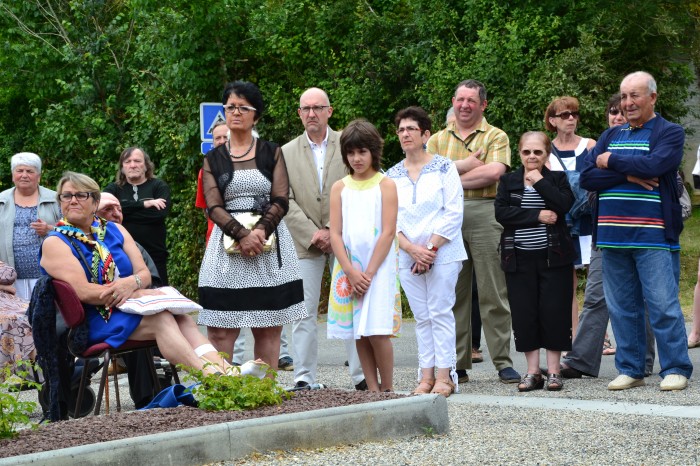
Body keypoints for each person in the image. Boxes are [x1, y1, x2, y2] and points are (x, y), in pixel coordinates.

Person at [40, 172, 266, 380]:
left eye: (81, 195)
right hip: (96, 319)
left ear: (95, 202)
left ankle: (226, 371)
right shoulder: (56, 241)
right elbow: (84, 292)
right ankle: (212, 378)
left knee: (181, 317)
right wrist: (132, 293)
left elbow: (144, 273)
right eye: (66, 196)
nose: (73, 200)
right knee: (161, 319)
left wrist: (133, 284)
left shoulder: (115, 230)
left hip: (130, 306)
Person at [580, 71, 693, 391]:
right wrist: (627, 175)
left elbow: (657, 167)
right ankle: (631, 368)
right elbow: (587, 178)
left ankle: (676, 367)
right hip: (612, 238)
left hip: (653, 236)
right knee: (621, 307)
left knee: (663, 304)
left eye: (635, 96)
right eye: (624, 96)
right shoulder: (610, 135)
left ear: (652, 98)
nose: (627, 103)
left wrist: (609, 161)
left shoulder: (669, 132)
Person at [198, 81, 306, 371]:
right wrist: (242, 235)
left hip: (268, 247)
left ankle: (265, 396)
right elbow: (213, 206)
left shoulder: (272, 152)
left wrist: (259, 232)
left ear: (255, 115)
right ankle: (223, 395)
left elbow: (281, 198)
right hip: (226, 248)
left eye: (243, 107)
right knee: (220, 329)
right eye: (231, 106)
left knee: (269, 327)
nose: (236, 112)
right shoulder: (213, 159)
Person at [427, 79, 520, 384]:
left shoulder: (497, 136)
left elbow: (494, 172)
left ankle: (503, 361)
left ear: (483, 105)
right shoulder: (436, 140)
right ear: (453, 102)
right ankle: (457, 364)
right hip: (445, 218)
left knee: (494, 292)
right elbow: (427, 177)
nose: (465, 105)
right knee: (454, 292)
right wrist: (466, 168)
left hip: (484, 212)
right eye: (460, 99)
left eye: (471, 100)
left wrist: (449, 177)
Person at [559, 93, 656, 379]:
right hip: (606, 233)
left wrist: (611, 170)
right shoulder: (597, 150)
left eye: (623, 112)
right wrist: (628, 176)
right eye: (612, 112)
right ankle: (580, 362)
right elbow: (587, 185)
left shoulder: (649, 145)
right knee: (596, 297)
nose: (617, 116)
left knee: (644, 299)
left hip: (644, 233)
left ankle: (642, 362)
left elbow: (669, 187)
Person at [283, 87, 365, 390]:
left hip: (344, 236)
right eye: (306, 108)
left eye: (318, 108)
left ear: (330, 111)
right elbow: (283, 198)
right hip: (304, 242)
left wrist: (332, 229)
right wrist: (313, 233)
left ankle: (361, 376)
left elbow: (358, 183)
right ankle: (304, 377)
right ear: (299, 113)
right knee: (302, 311)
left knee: (352, 305)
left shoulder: (348, 144)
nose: (312, 114)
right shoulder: (286, 152)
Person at [386, 107, 466, 397]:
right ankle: (426, 376)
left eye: (411, 129)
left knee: (440, 312)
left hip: (442, 252)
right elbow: (389, 218)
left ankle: (446, 377)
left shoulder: (445, 167)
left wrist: (430, 249)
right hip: (407, 255)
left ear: (426, 134)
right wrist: (411, 249)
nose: (405, 134)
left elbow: (453, 212)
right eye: (401, 130)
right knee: (421, 317)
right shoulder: (392, 175)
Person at [495, 131, 575, 391]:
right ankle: (532, 371)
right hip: (518, 257)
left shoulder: (558, 179)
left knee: (554, 312)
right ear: (519, 153)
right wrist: (538, 216)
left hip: (554, 257)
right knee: (524, 313)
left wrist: (539, 181)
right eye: (527, 152)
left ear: (547, 155)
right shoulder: (507, 181)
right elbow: (502, 213)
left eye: (537, 152)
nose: (531, 156)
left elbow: (564, 205)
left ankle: (553, 371)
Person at [328, 119, 400, 392]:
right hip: (348, 268)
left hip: (378, 269)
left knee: (378, 331)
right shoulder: (340, 187)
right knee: (358, 330)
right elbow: (335, 233)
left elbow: (388, 231)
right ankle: (371, 388)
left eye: (362, 152)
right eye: (351, 152)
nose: (356, 158)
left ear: (373, 151)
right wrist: (350, 271)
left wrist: (367, 273)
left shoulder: (386, 184)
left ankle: (388, 389)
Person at [96, 192, 166, 408]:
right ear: (93, 213)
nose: (116, 214)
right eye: (108, 209)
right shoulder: (78, 244)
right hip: (97, 312)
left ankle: (149, 397)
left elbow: (151, 279)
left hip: (132, 305)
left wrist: (133, 289)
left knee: (155, 318)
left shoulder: (132, 245)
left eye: (119, 209)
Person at [544, 96, 597, 338]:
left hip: (589, 219)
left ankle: (598, 335)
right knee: (568, 282)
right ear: (553, 120)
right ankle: (575, 335)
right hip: (563, 222)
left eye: (574, 114)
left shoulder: (589, 145)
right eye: (565, 115)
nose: (571, 119)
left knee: (598, 281)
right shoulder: (545, 150)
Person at [104, 147, 171, 284]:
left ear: (146, 165)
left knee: (159, 296)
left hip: (155, 255)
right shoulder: (113, 189)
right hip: (120, 254)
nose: (132, 165)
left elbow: (158, 215)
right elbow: (104, 211)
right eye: (128, 161)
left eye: (137, 161)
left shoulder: (159, 187)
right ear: (122, 167)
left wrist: (122, 212)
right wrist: (144, 204)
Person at [0, 153, 61, 300]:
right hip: (9, 278)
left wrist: (49, 230)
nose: (24, 175)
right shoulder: (1, 200)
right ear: (13, 175)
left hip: (47, 276)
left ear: (38, 176)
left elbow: (72, 231)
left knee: (43, 318)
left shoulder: (56, 199)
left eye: (30, 171)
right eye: (19, 171)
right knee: (15, 320)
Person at [0, 261, 35, 380]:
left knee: (36, 312)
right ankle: (42, 374)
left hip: (8, 302)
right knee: (13, 321)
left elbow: (8, 272)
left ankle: (56, 367)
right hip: (7, 311)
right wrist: (3, 286)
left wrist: (3, 286)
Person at [196, 121, 230, 243]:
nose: (221, 141)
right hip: (215, 237)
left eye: (225, 137)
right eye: (217, 138)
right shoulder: (205, 171)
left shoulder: (247, 165)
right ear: (213, 142)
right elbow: (204, 207)